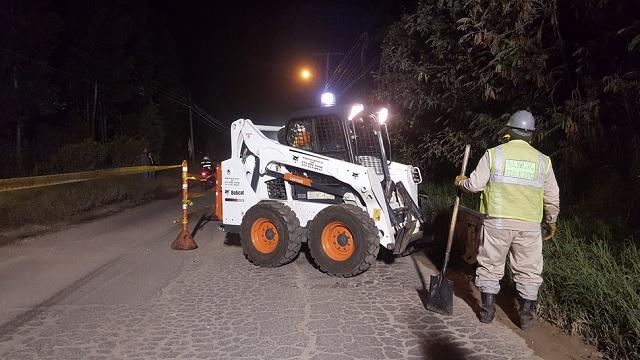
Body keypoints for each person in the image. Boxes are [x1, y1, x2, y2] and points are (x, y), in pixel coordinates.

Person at [454, 110, 560, 330]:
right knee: (529, 271)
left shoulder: (494, 154)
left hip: (497, 223)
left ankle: (487, 312)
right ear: (531, 135)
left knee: (490, 266)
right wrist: (551, 220)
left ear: (509, 130)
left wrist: (461, 182)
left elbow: (474, 185)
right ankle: (526, 317)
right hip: (529, 225)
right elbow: (552, 197)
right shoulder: (543, 161)